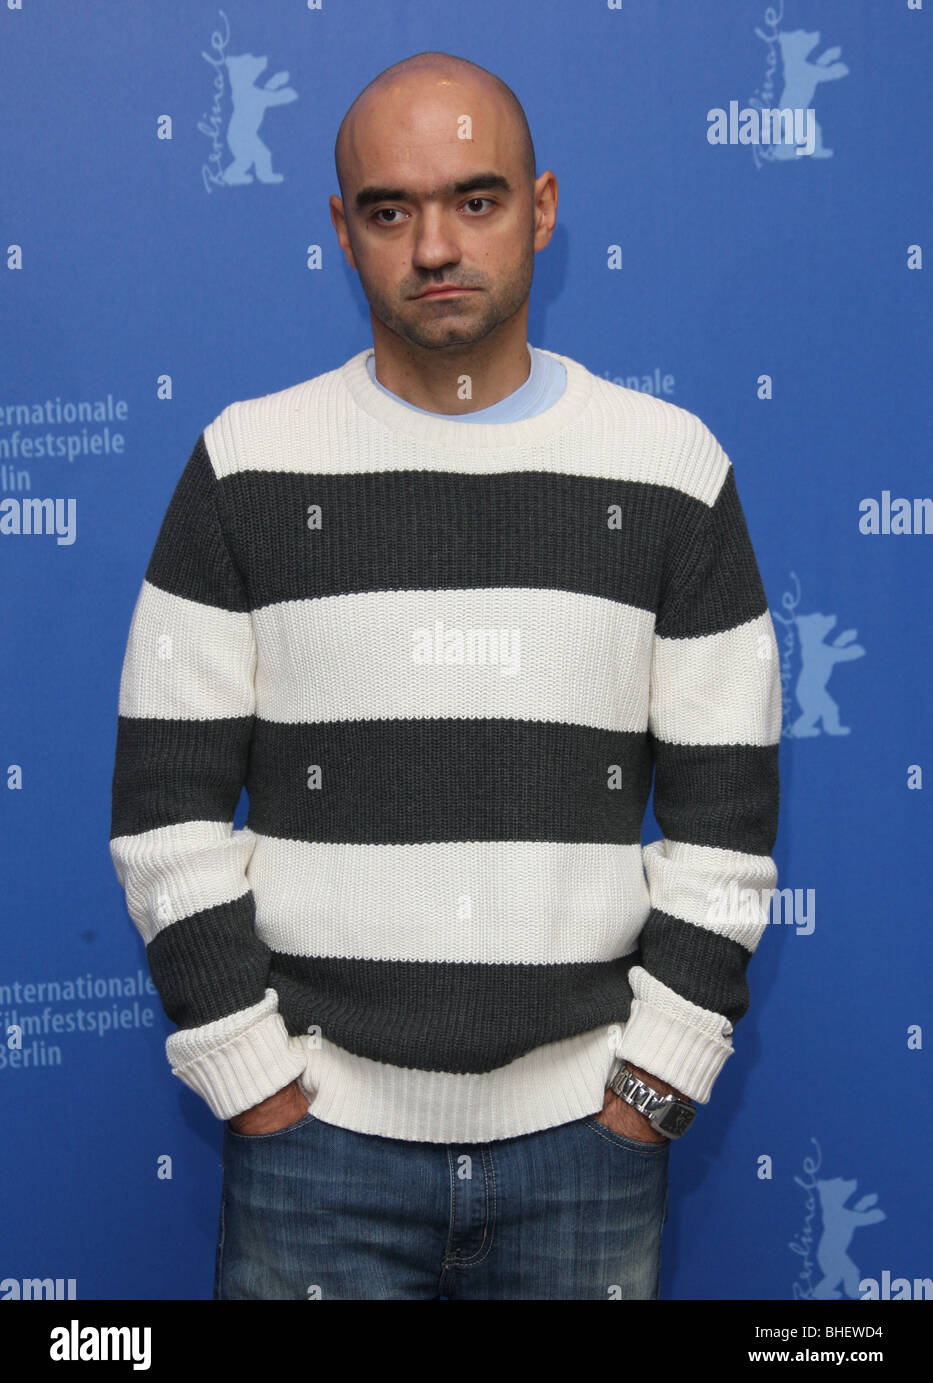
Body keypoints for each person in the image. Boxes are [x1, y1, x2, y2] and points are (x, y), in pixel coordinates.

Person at [109, 50, 781, 1300]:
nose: (434, 246)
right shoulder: (247, 465)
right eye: (389, 209)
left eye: (476, 199)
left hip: (588, 1150)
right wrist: (253, 1084)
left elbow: (725, 824)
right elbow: (166, 814)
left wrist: (650, 1088)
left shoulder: (670, 470)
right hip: (314, 1154)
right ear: (340, 230)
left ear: (542, 208)